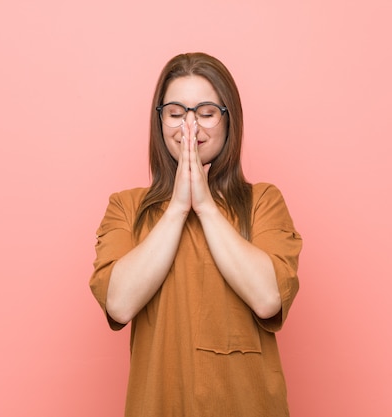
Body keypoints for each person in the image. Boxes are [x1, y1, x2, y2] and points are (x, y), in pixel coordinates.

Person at [90, 52, 302, 417]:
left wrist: (204, 205)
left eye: (205, 113)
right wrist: (176, 207)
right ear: (160, 123)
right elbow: (119, 304)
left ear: (228, 120)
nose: (190, 127)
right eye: (176, 113)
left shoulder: (263, 202)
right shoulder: (125, 207)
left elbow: (268, 298)